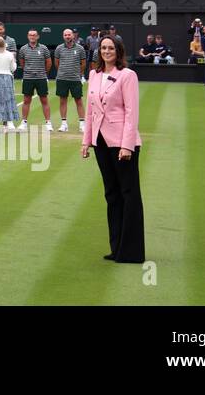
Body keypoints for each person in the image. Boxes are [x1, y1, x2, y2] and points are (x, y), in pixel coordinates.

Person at [81, 35, 145, 263]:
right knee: (111, 195)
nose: (106, 51)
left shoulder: (128, 76)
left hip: (121, 143)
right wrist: (86, 141)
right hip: (100, 141)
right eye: (103, 48)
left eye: (111, 48)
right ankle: (116, 247)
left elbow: (131, 112)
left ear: (119, 51)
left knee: (129, 194)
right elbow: (90, 111)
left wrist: (127, 145)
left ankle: (131, 251)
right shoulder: (94, 74)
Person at [53, 28, 87, 133]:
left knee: (79, 101)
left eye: (69, 34)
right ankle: (64, 124)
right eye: (65, 35)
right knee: (62, 101)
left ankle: (82, 124)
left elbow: (83, 64)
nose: (67, 36)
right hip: (62, 79)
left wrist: (79, 74)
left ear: (73, 36)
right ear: (63, 36)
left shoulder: (80, 48)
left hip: (75, 79)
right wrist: (63, 72)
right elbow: (57, 63)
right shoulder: (59, 48)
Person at [18, 28, 53, 130]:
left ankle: (48, 123)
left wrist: (44, 73)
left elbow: (49, 62)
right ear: (28, 36)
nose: (32, 37)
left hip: (41, 78)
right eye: (30, 35)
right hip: (28, 78)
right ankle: (24, 122)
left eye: (34, 35)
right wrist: (28, 71)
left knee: (44, 100)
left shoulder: (44, 48)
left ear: (37, 37)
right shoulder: (23, 49)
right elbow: (22, 63)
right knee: (26, 100)